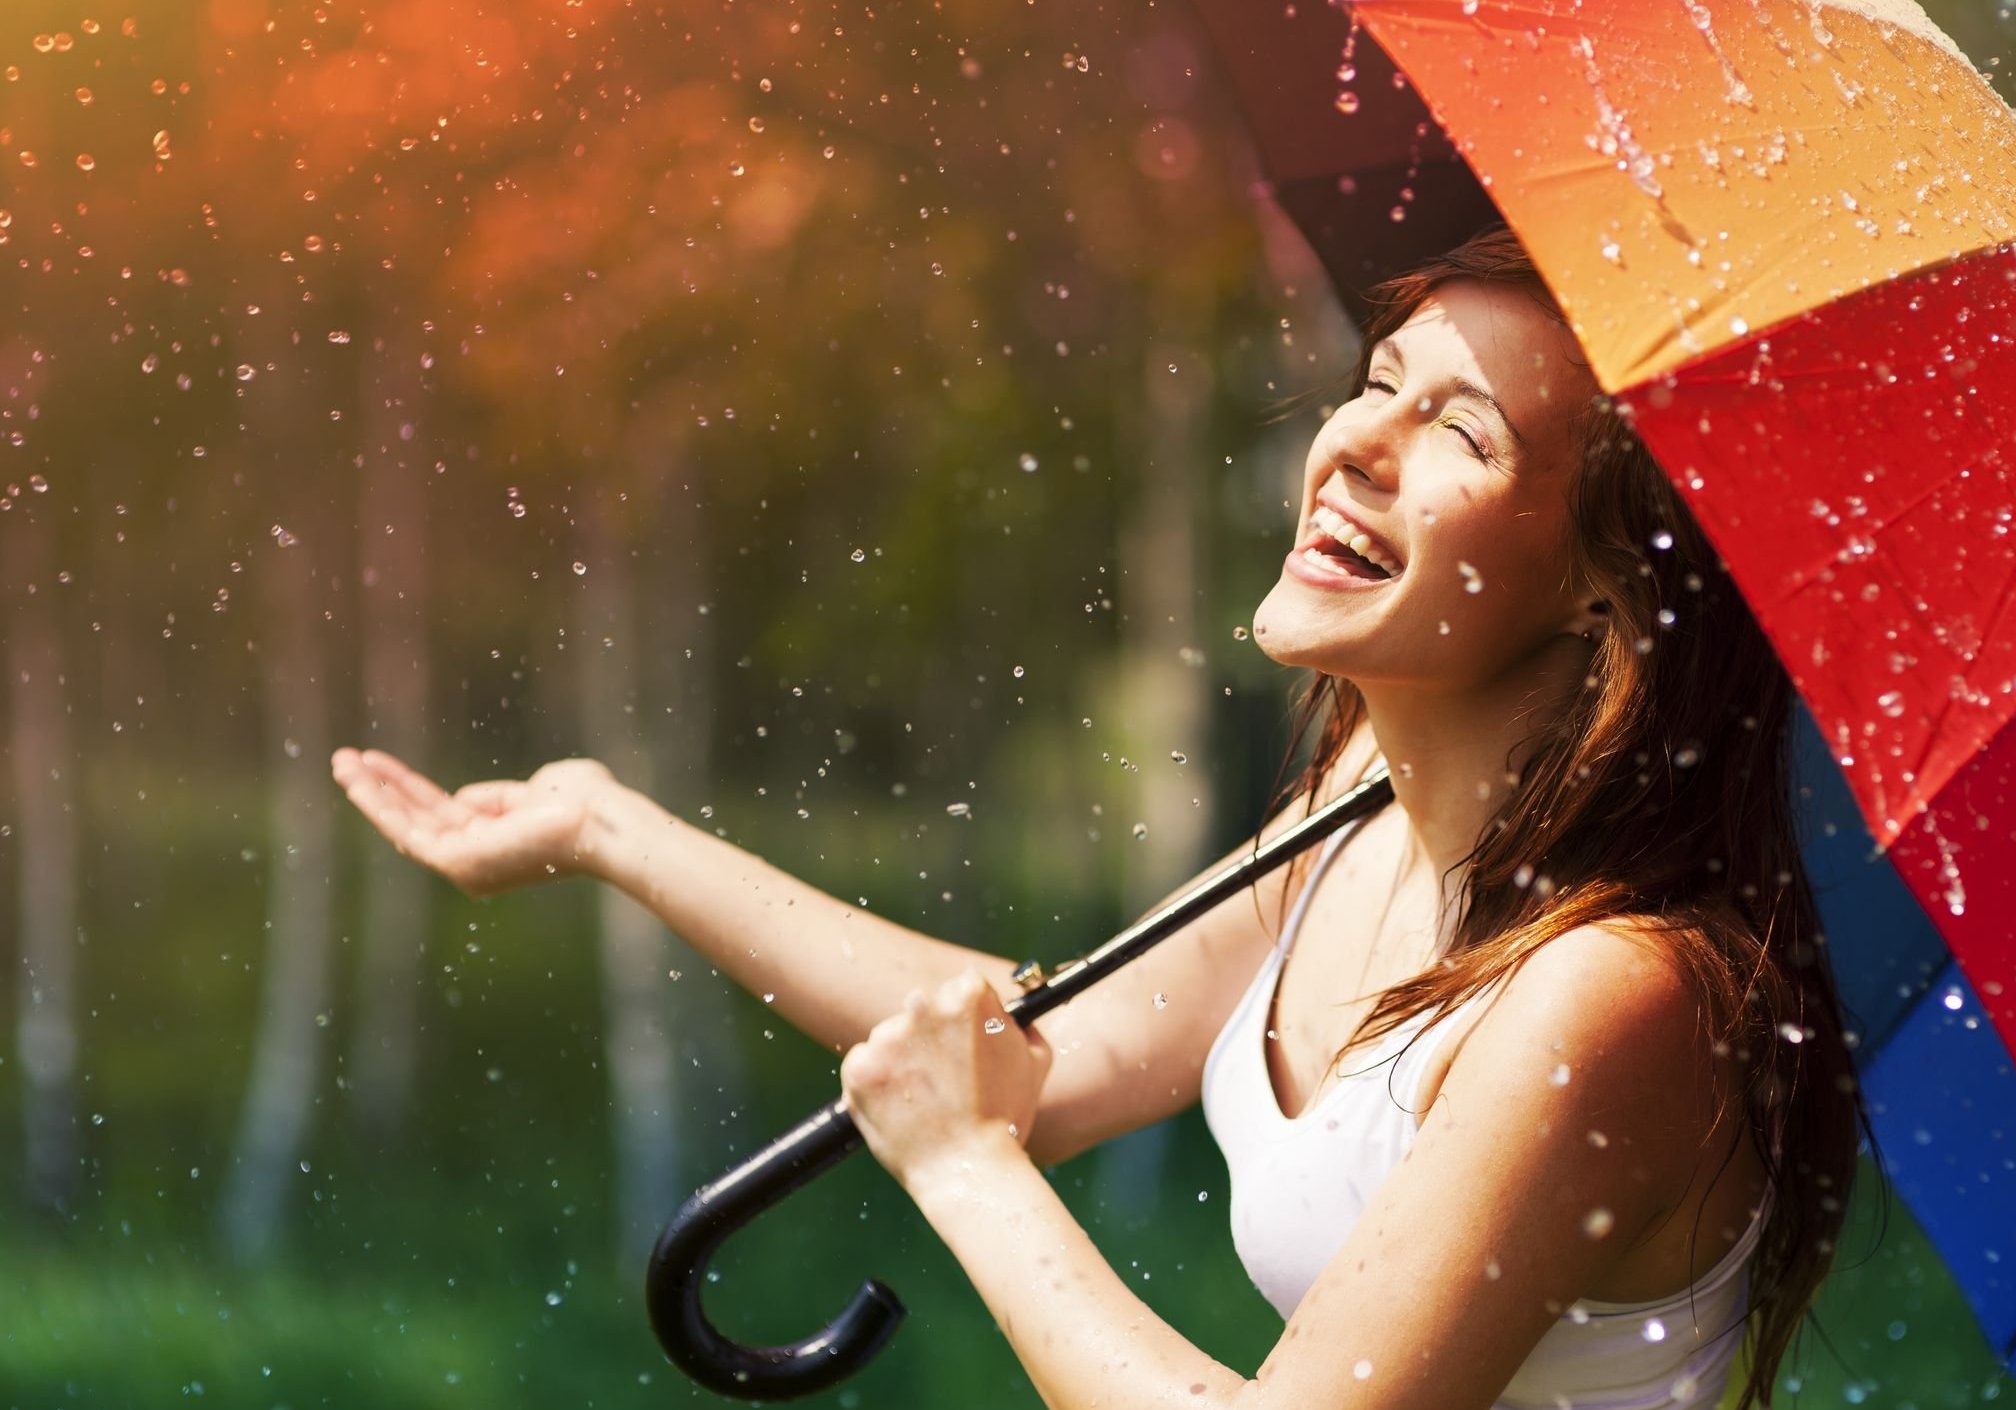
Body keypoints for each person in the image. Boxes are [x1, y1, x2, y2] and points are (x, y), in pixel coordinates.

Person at [333, 225, 1861, 1409]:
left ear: (1608, 589)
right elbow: (1049, 1054)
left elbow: (1005, 1125)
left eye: (1463, 434)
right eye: (1379, 380)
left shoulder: (1617, 994)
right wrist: (616, 830)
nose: (1358, 447)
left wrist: (965, 1167)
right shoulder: (1358, 819)